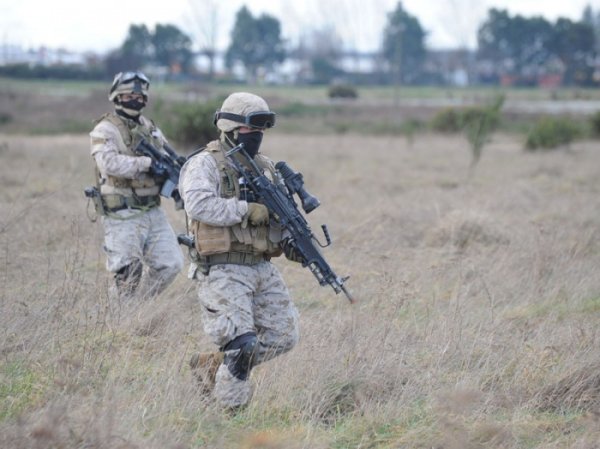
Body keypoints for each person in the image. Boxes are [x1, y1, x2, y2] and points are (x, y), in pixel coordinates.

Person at [179, 92, 301, 410]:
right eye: (251, 128)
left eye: (263, 128)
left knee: (284, 335)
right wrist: (245, 209)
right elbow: (199, 204)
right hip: (222, 266)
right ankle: (230, 414)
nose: (257, 136)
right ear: (230, 127)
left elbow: (280, 213)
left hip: (261, 266)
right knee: (242, 345)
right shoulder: (204, 163)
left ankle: (211, 366)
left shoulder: (266, 167)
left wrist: (291, 242)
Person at [89, 71, 184, 301]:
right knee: (128, 272)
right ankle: (120, 321)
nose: (136, 99)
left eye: (141, 95)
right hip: (122, 209)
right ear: (117, 96)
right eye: (130, 94)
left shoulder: (150, 127)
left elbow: (165, 154)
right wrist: (145, 163)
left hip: (152, 209)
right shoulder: (105, 129)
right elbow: (107, 163)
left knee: (170, 264)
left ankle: (139, 308)